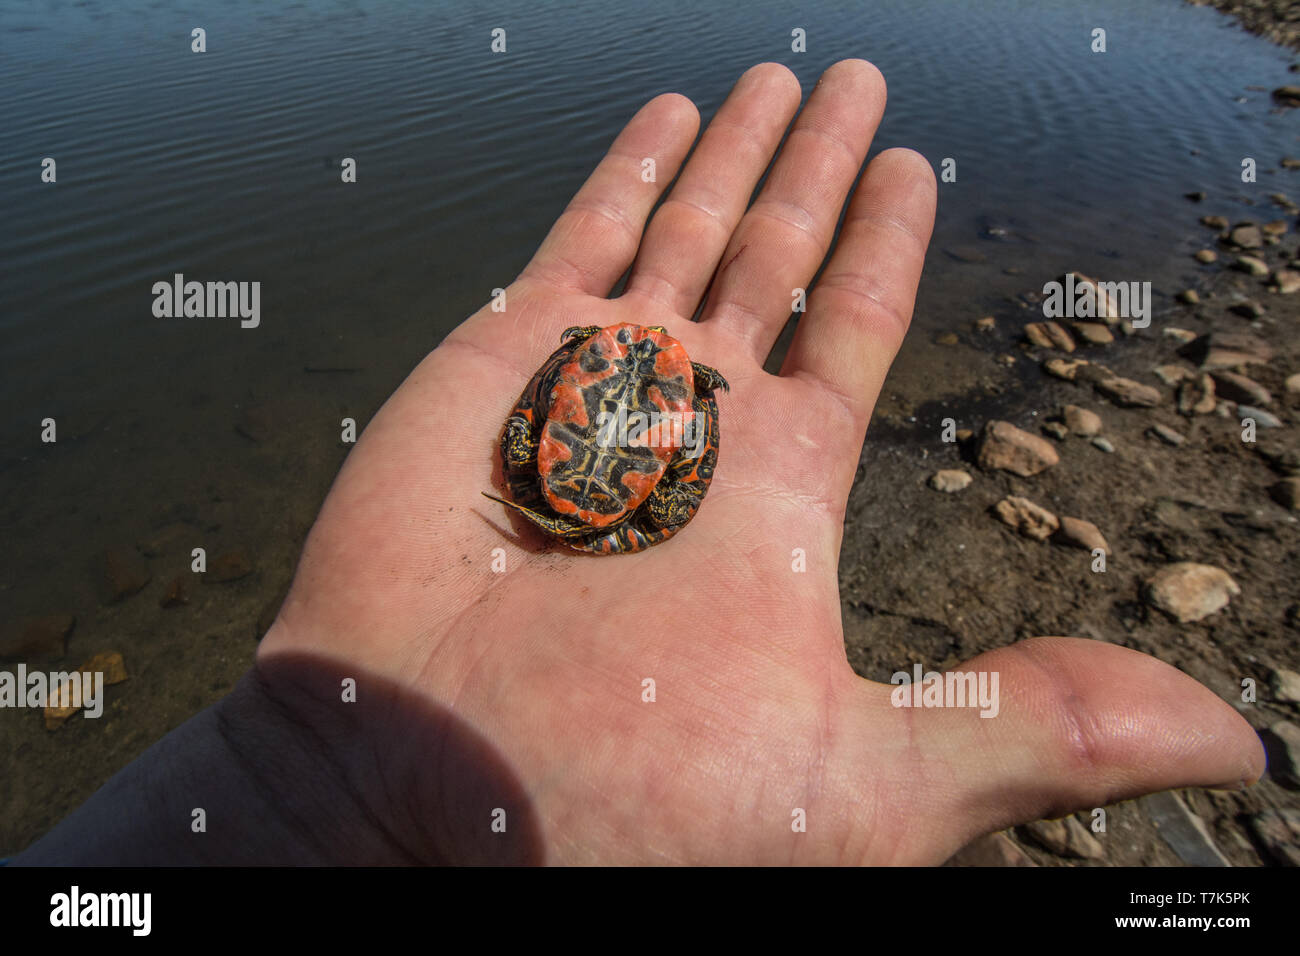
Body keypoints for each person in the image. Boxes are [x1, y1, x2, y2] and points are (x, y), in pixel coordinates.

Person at [14, 60, 1263, 866]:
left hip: (606, 444)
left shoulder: (640, 383)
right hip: (596, 452)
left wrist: (287, 795)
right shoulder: (625, 386)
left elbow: (596, 424)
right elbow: (579, 423)